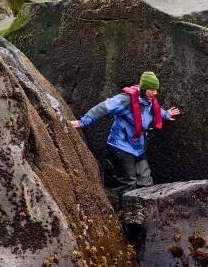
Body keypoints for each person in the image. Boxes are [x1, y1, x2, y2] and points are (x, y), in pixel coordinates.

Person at [70, 71, 182, 200]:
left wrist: (166, 115)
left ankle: (145, 210)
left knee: (145, 180)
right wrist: (82, 122)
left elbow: (154, 110)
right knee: (129, 181)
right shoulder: (126, 100)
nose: (155, 93)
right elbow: (103, 107)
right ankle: (116, 207)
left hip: (138, 147)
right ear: (144, 88)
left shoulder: (149, 100)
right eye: (152, 90)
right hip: (121, 146)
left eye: (156, 90)